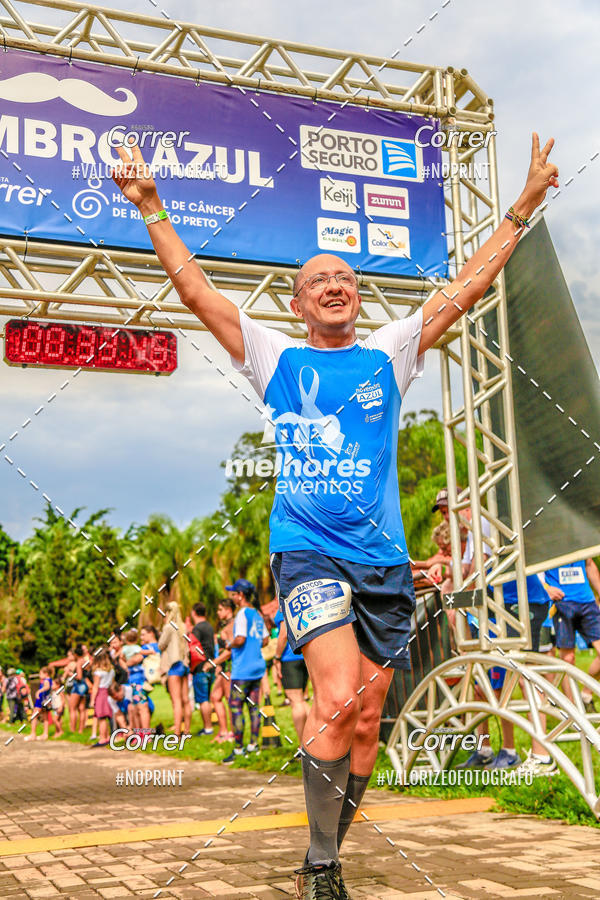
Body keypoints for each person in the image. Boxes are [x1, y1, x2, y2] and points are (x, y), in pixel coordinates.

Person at [112, 131, 558, 898]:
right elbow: (198, 295)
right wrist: (152, 205)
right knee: (337, 693)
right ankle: (322, 868)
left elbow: (465, 289)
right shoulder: (275, 357)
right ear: (297, 303)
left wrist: (521, 205)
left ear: (357, 296)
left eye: (345, 278)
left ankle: (327, 849)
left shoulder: (390, 351)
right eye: (318, 279)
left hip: (383, 562)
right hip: (308, 550)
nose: (334, 286)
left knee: (368, 718)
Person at [544, 558, 600, 711]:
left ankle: (586, 694)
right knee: (568, 659)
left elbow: (589, 564)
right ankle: (573, 709)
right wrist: (546, 588)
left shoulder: (580, 541)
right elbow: (532, 570)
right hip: (562, 602)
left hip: (587, 601)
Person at [223, 584, 269, 764]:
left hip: (242, 669)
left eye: (233, 594)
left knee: (235, 707)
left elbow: (240, 639)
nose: (232, 598)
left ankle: (238, 749)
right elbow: (265, 640)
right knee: (253, 707)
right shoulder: (257, 614)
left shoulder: (242, 613)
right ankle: (253, 746)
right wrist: (253, 645)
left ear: (240, 595)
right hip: (257, 666)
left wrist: (229, 645)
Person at [273, 610, 311, 741]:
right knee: (302, 701)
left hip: (289, 658)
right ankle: (314, 741)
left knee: (296, 702)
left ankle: (303, 745)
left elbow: (283, 634)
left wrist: (277, 657)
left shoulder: (283, 606)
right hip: (304, 656)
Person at [158, 600, 191, 736]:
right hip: (185, 664)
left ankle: (177, 732)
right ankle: (187, 730)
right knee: (185, 700)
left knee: (176, 701)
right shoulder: (183, 626)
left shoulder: (169, 627)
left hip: (175, 665)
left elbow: (161, 645)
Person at [207, 598, 235, 743]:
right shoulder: (224, 625)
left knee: (230, 700)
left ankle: (233, 733)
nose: (218, 612)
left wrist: (212, 663)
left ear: (228, 609)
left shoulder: (232, 625)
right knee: (215, 697)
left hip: (230, 667)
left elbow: (230, 651)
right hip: (223, 667)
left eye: (220, 610)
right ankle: (223, 731)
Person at [190, 602, 216, 736]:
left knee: (203, 699)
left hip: (201, 668)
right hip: (211, 665)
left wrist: (192, 666)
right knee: (208, 698)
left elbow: (194, 649)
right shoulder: (209, 627)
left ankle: (208, 728)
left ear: (194, 612)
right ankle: (210, 725)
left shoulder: (197, 629)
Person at [90, 648, 114, 748]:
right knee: (107, 716)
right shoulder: (111, 670)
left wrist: (92, 700)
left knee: (101, 717)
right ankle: (107, 736)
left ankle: (102, 738)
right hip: (109, 692)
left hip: (101, 693)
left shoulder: (98, 672)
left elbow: (95, 687)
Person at [25, 667, 52, 741]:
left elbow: (47, 687)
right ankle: (45, 734)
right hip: (46, 700)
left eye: (41, 673)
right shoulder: (50, 679)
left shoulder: (46, 680)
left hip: (41, 700)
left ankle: (33, 734)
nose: (39, 675)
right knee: (45, 717)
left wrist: (39, 691)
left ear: (46, 674)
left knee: (34, 716)